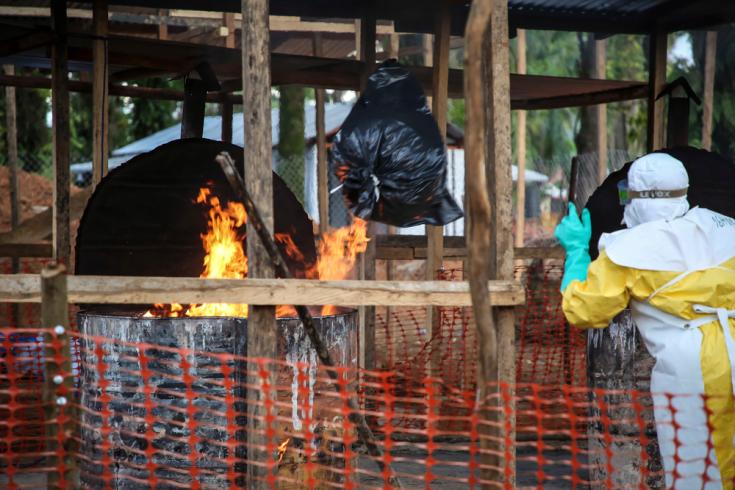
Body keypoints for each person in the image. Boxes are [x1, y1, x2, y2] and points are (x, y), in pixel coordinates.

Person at [555, 153, 735, 489]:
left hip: (693, 368)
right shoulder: (721, 227)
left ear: (636, 197)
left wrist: (576, 252)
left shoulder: (629, 251)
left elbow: (582, 310)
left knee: (696, 471)